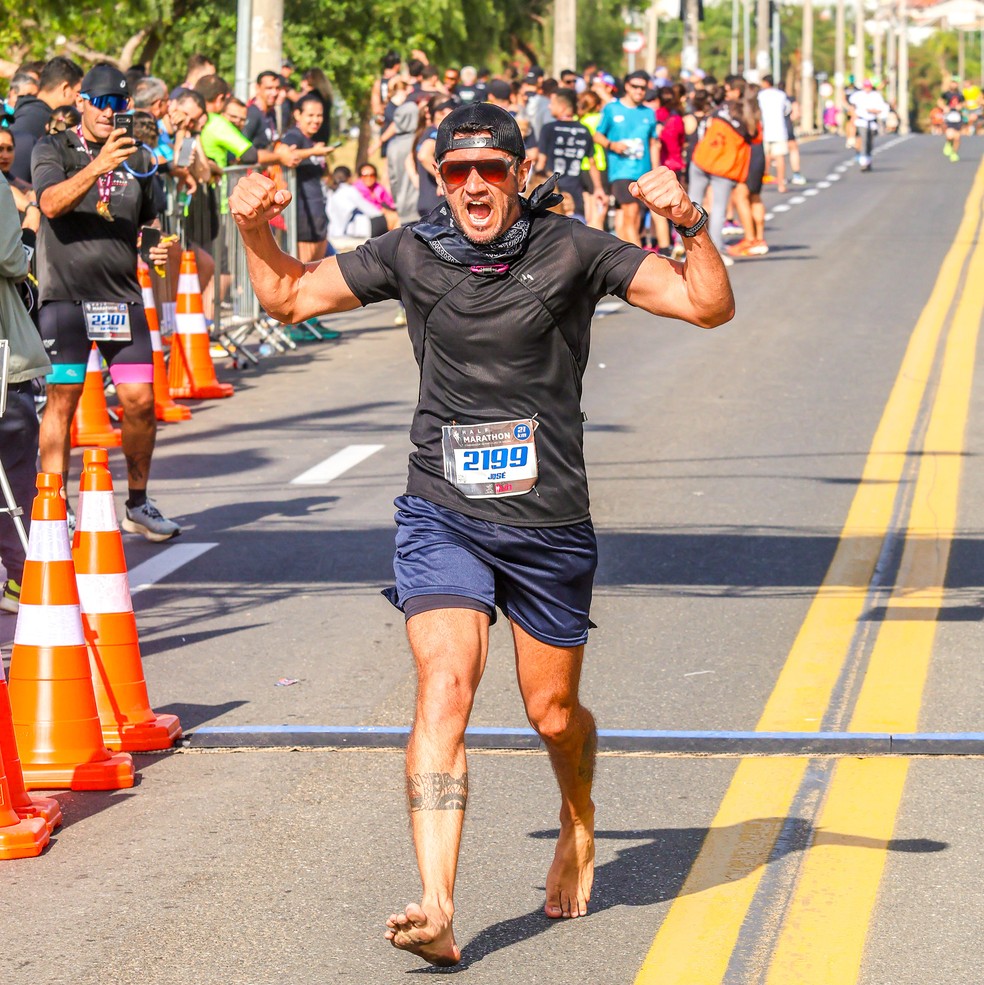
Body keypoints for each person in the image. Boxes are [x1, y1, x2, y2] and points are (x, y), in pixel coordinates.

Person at [228, 101, 734, 968]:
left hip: (548, 523)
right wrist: (252, 231)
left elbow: (707, 306)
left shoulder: (573, 248)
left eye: (490, 170)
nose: (473, 185)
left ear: (519, 170)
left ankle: (579, 816)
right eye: (456, 170)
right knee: (445, 687)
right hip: (442, 510)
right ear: (437, 177)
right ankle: (437, 903)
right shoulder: (413, 253)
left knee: (552, 711)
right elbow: (285, 292)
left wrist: (689, 224)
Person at [32, 63, 179, 541]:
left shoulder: (139, 159)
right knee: (63, 400)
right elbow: (50, 204)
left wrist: (155, 251)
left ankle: (137, 503)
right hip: (66, 301)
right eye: (101, 103)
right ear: (82, 103)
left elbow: (150, 227)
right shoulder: (53, 147)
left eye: (119, 105)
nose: (108, 113)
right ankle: (54, 504)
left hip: (120, 300)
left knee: (140, 401)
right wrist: (98, 165)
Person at [0, 172, 50, 614]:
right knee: (14, 477)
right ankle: (22, 579)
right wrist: (29, 226)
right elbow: (12, 261)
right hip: (5, 361)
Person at [593, 70, 659, 246]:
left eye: (643, 88)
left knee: (631, 219)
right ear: (627, 86)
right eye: (635, 86)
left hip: (643, 172)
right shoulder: (612, 109)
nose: (639, 91)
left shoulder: (649, 113)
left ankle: (622, 260)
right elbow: (597, 136)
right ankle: (640, 261)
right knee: (630, 213)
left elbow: (653, 144)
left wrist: (657, 171)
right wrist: (613, 145)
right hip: (620, 170)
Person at [9, 56, 84, 185]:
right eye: (77, 93)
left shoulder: (30, 113)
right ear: (65, 89)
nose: (78, 100)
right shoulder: (33, 120)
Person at [535, 87, 605, 222]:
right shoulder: (583, 130)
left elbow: (542, 161)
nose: (549, 107)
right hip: (575, 191)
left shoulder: (549, 128)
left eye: (552, 104)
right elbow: (592, 162)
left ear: (562, 107)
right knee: (575, 225)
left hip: (552, 191)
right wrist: (598, 188)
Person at [281, 94, 333, 261]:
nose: (316, 120)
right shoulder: (294, 135)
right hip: (303, 214)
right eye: (310, 115)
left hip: (317, 211)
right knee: (303, 268)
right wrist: (313, 152)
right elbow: (285, 154)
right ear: (297, 115)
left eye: (319, 115)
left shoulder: (310, 140)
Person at [757, 74, 790, 192]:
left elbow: (757, 111)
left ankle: (762, 182)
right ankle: (781, 184)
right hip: (779, 130)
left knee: (765, 156)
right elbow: (787, 110)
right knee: (779, 157)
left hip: (765, 130)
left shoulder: (760, 95)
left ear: (765, 83)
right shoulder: (781, 95)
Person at [848, 78, 888, 171]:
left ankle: (868, 160)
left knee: (870, 142)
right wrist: (853, 115)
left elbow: (881, 108)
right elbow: (852, 106)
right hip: (861, 121)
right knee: (864, 140)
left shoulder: (876, 96)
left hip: (872, 121)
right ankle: (863, 161)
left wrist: (873, 111)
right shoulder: (857, 95)